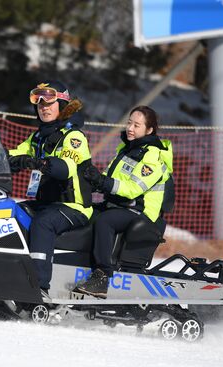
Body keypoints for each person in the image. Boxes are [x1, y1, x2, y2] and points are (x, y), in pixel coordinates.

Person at [73, 105, 173, 298]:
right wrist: (90, 180)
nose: (130, 128)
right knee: (83, 211)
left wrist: (103, 182)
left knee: (105, 221)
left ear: (149, 130)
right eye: (129, 123)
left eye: (137, 125)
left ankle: (102, 277)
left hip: (140, 211)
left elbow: (133, 189)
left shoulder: (152, 156)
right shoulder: (126, 149)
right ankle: (77, 263)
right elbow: (113, 178)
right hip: (119, 205)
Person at [8, 80, 93, 295]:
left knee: (43, 223)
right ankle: (6, 274)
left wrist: (41, 163)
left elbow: (65, 167)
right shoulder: (38, 136)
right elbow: (15, 153)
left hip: (73, 207)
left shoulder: (73, 137)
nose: (43, 107)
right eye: (39, 102)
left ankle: (39, 286)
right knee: (9, 212)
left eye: (49, 102)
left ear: (62, 106)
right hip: (46, 204)